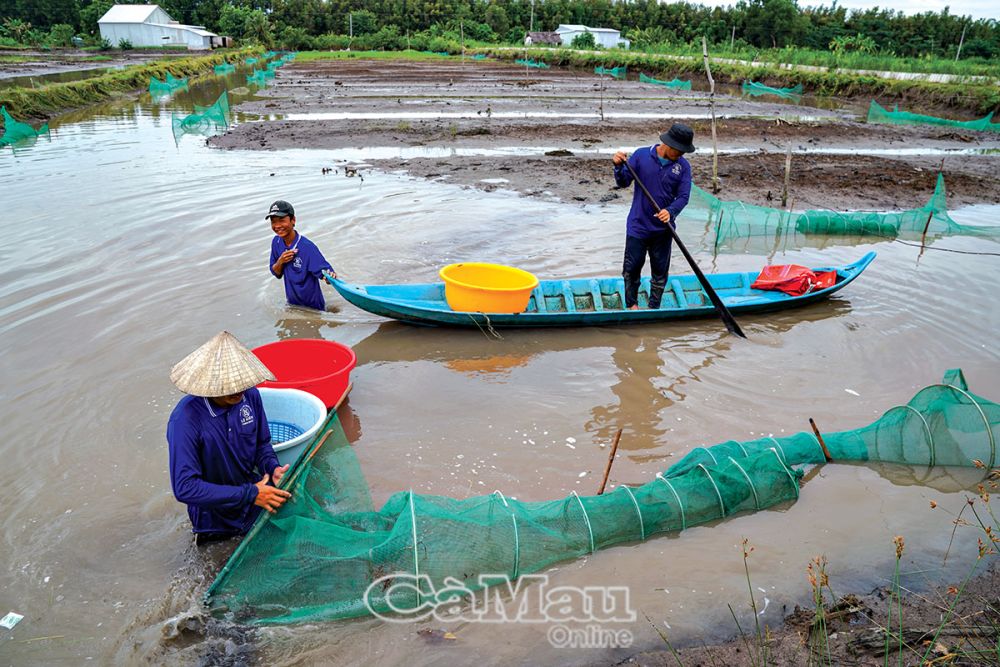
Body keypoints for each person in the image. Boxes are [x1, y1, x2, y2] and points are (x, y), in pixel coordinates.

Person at [166, 331, 291, 545]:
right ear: (208, 385)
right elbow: (185, 487)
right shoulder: (185, 420)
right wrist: (250, 494)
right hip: (214, 521)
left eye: (241, 383)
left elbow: (262, 444)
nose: (238, 391)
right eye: (229, 387)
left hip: (253, 501)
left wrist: (272, 467)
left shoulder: (249, 396)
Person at [611, 123, 695, 310]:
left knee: (659, 272)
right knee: (632, 270)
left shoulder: (683, 167)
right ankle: (632, 305)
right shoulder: (641, 156)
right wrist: (617, 166)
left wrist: (670, 211)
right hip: (638, 226)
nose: (681, 155)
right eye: (679, 151)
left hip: (663, 230)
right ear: (669, 145)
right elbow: (623, 182)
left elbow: (683, 197)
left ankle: (653, 308)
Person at [267, 200, 336, 311]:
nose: (277, 226)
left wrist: (330, 277)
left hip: (314, 310)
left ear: (293, 220)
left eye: (281, 220)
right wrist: (281, 261)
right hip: (292, 306)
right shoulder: (276, 242)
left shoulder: (307, 247)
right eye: (273, 222)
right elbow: (276, 273)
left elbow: (327, 276)